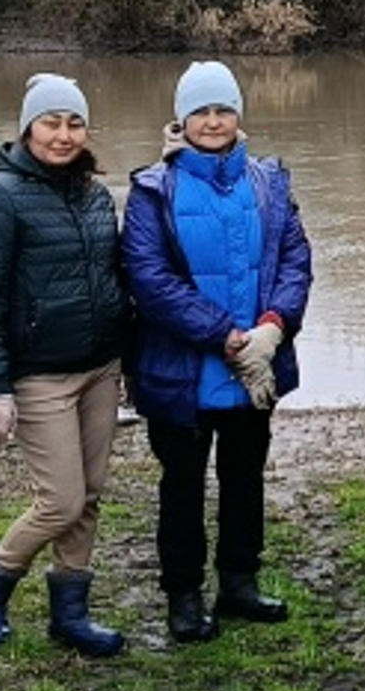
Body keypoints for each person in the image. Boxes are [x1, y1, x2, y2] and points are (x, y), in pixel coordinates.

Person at [122, 60, 313, 643]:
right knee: (182, 484)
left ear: (238, 115)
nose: (212, 121)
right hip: (181, 373)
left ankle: (239, 582)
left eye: (223, 110)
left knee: (245, 476)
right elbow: (149, 279)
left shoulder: (269, 182)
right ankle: (183, 596)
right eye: (201, 112)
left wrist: (273, 328)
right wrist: (226, 335)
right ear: (181, 119)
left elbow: (294, 261)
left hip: (257, 366)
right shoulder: (153, 190)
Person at [0, 72, 131, 658]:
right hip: (39, 375)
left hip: (100, 368)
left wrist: (128, 358)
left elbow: (114, 280)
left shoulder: (94, 195)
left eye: (75, 123)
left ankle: (70, 614)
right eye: (51, 123)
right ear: (27, 128)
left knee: (90, 495)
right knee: (60, 501)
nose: (63, 135)